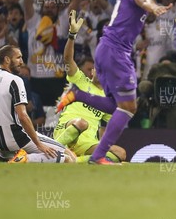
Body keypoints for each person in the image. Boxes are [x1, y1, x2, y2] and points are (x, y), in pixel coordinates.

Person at [57, 0, 172, 164]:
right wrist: (153, 7)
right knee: (130, 107)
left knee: (116, 104)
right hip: (117, 52)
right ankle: (98, 157)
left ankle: (78, 94)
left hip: (106, 48)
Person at [0, 45, 75, 163]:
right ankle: (25, 158)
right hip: (19, 139)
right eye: (18, 58)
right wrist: (39, 144)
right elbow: (23, 116)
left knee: (7, 155)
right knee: (69, 157)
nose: (22, 62)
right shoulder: (15, 80)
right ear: (7, 60)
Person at [53, 11, 126, 163]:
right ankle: (54, 152)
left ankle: (74, 161)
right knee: (81, 122)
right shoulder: (80, 80)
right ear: (92, 71)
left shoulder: (107, 99)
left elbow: (110, 126)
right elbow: (67, 59)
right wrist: (72, 35)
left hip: (87, 143)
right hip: (68, 130)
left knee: (120, 153)